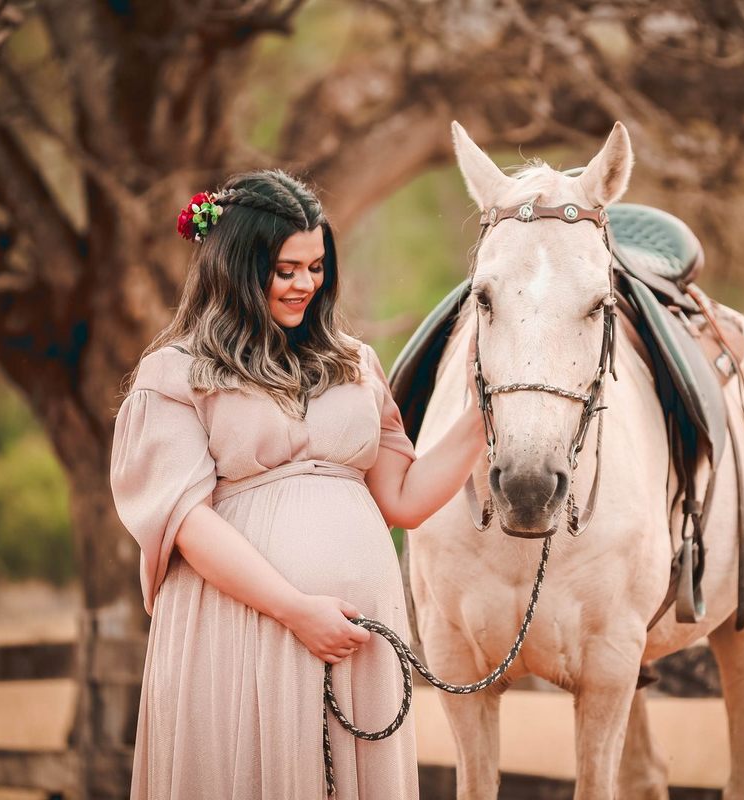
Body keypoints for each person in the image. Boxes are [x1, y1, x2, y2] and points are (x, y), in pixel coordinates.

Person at [108, 169, 485, 799]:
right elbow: (187, 524)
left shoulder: (355, 364)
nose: (305, 284)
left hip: (355, 640)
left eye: (316, 267)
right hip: (241, 627)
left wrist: (483, 414)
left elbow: (405, 498)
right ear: (234, 267)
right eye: (285, 269)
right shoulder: (174, 375)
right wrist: (296, 611)